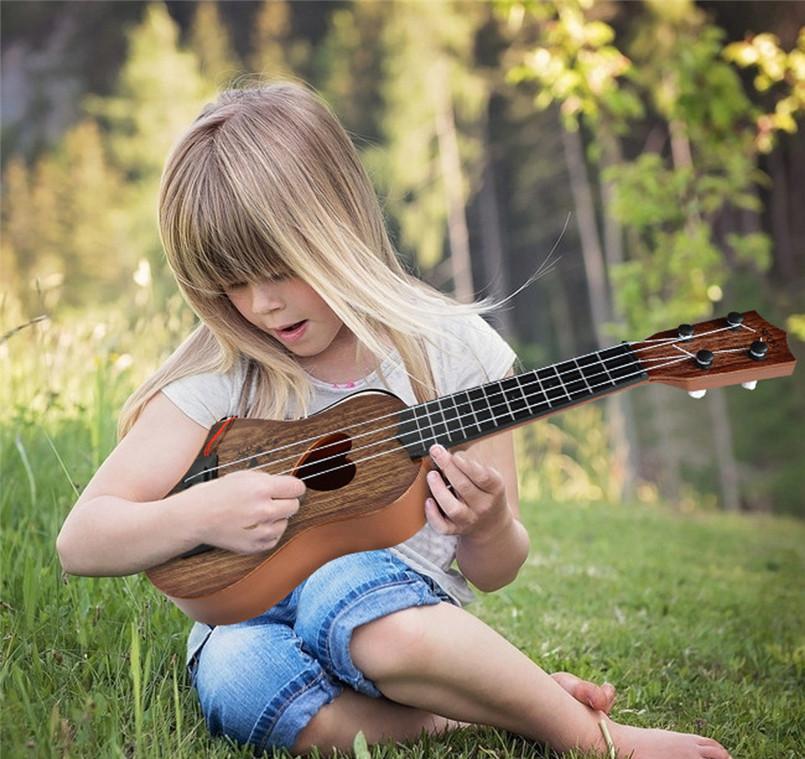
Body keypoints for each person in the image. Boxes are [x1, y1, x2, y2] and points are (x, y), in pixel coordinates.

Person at [56, 80, 732, 759]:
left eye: (279, 267)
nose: (261, 304)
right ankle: (479, 712)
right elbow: (82, 539)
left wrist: (488, 524)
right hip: (247, 616)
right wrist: (198, 515)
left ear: (338, 223)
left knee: (340, 590)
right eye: (231, 281)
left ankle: (595, 739)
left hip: (396, 624)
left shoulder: (451, 348)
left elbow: (497, 568)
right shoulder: (223, 371)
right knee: (236, 677)